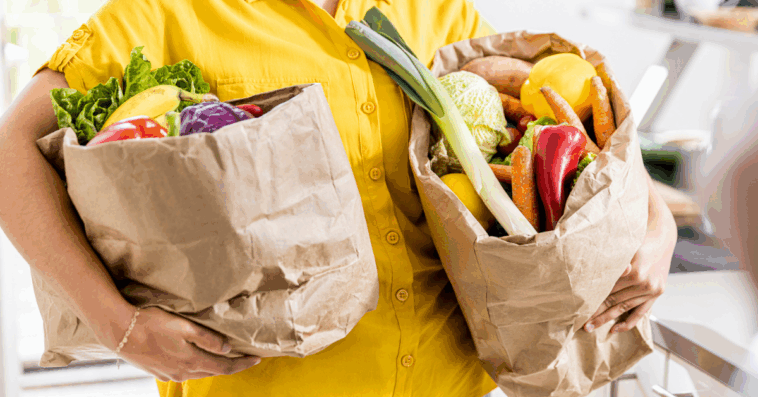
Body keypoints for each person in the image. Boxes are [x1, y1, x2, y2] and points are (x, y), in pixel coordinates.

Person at [0, 0, 678, 395]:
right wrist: (117, 322)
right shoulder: (167, 15)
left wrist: (655, 224)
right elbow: (11, 157)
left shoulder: (434, 11)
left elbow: (555, 129)